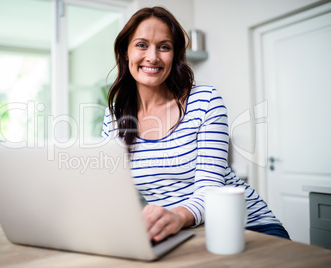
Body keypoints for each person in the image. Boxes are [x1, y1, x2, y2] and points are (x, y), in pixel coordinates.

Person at [101, 6, 290, 242]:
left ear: (175, 56)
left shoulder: (205, 101)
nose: (152, 56)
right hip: (181, 233)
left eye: (164, 47)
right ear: (126, 52)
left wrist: (176, 217)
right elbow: (111, 189)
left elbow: (209, 189)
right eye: (141, 45)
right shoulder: (114, 117)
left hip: (248, 227)